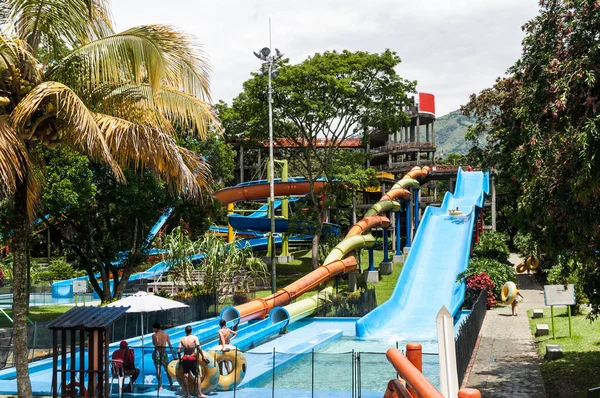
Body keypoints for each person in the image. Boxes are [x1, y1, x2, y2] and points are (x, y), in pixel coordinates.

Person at [178, 325, 209, 398]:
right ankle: (199, 394)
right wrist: (203, 356)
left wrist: (180, 359)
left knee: (185, 375)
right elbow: (198, 347)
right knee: (197, 375)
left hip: (185, 358)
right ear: (191, 331)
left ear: (185, 331)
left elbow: (178, 350)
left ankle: (188, 394)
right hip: (192, 358)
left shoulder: (182, 339)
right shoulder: (194, 338)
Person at [151, 322, 176, 391]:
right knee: (167, 369)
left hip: (157, 352)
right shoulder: (166, 334)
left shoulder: (154, 335)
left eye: (153, 328)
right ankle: (171, 384)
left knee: (158, 369)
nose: (153, 330)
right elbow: (170, 345)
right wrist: (173, 354)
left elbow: (154, 344)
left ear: (156, 328)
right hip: (164, 353)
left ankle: (160, 386)